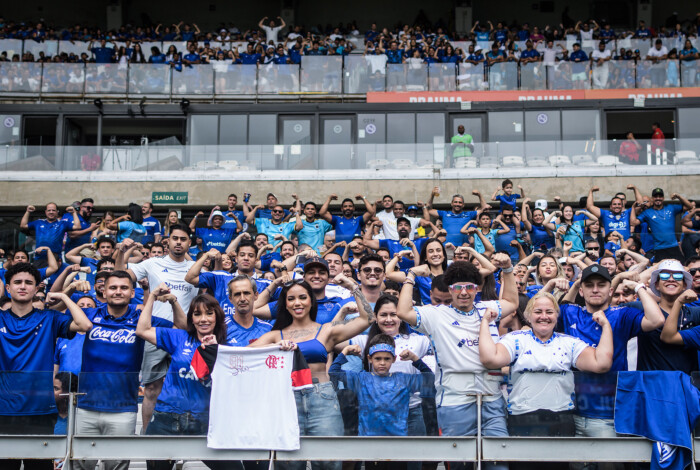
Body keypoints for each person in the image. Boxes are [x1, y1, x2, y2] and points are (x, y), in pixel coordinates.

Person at [396, 255, 519, 470]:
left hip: (491, 397)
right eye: (458, 287)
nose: (464, 292)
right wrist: (411, 276)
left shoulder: (486, 308)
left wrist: (508, 269)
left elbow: (511, 302)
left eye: (469, 287)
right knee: (460, 463)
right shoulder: (436, 314)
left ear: (477, 288)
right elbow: (403, 312)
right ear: (450, 289)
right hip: (455, 399)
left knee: (498, 461)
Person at [250, 275, 372, 470]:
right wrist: (273, 348)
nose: (297, 303)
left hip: (321, 398)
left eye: (302, 297)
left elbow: (368, 319)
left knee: (328, 462)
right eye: (291, 299)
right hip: (286, 399)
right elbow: (245, 355)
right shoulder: (274, 335)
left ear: (311, 301)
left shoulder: (326, 331)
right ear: (285, 304)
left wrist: (353, 286)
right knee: (288, 463)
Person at [479, 292, 612, 468]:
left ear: (557, 315)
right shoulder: (516, 339)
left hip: (561, 419)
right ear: (527, 316)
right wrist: (485, 323)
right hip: (522, 419)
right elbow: (490, 359)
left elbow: (601, 363)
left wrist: (606, 326)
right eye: (538, 312)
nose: (544, 317)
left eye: (549, 312)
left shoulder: (569, 343)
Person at [74, 272, 182, 470]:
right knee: (81, 464)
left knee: (116, 465)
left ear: (132, 293)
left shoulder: (140, 318)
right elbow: (53, 309)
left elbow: (180, 327)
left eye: (123, 288)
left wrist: (173, 301)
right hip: (85, 405)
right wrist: (67, 291)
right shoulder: (90, 314)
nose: (118, 292)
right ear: (103, 291)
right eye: (113, 287)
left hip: (122, 408)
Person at [557, 264, 664, 444]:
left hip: (608, 413)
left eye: (601, 285)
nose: (596, 289)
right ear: (582, 291)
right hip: (570, 411)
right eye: (589, 285)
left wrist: (638, 288)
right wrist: (575, 285)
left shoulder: (622, 314)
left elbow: (657, 319)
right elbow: (550, 312)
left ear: (611, 290)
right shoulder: (570, 312)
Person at [0, 263, 92, 470]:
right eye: (17, 282)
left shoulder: (50, 318)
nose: (23, 286)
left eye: (28, 283)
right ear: (8, 288)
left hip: (40, 410)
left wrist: (64, 297)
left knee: (39, 468)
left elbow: (85, 326)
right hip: (3, 410)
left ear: (36, 288)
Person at [136, 286, 230, 470]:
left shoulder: (227, 345)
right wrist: (153, 297)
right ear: (191, 319)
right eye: (197, 314)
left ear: (217, 316)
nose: (203, 319)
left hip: (206, 421)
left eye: (209, 313)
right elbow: (142, 330)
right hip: (166, 418)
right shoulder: (180, 337)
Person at [115, 224, 197, 431]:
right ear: (167, 241)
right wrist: (121, 252)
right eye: (175, 238)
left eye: (183, 239)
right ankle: (147, 435)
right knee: (151, 388)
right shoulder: (152, 263)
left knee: (187, 387)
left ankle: (184, 437)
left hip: (185, 334)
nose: (179, 242)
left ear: (190, 243)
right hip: (156, 333)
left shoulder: (196, 268)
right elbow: (120, 276)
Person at [330, 334, 432, 442]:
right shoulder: (361, 379)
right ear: (369, 359)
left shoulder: (403, 379)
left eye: (387, 359)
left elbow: (429, 379)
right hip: (368, 442)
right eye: (377, 359)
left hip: (398, 442)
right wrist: (345, 351)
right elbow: (333, 372)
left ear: (394, 359)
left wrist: (415, 359)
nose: (382, 363)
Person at [631, 187, 692, 261]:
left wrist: (678, 196)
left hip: (673, 246)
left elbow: (689, 206)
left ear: (663, 198)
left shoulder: (671, 207)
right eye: (655, 197)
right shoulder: (647, 212)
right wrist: (633, 207)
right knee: (659, 271)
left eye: (660, 196)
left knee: (681, 268)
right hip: (659, 248)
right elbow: (633, 222)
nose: (658, 198)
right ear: (652, 198)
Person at [425, 188, 489, 246]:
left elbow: (484, 209)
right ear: (451, 203)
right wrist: (432, 195)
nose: (457, 204)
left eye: (460, 202)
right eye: (455, 202)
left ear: (463, 205)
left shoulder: (469, 214)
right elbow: (429, 210)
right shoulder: (444, 214)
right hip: (447, 247)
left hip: (464, 249)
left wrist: (479, 195)